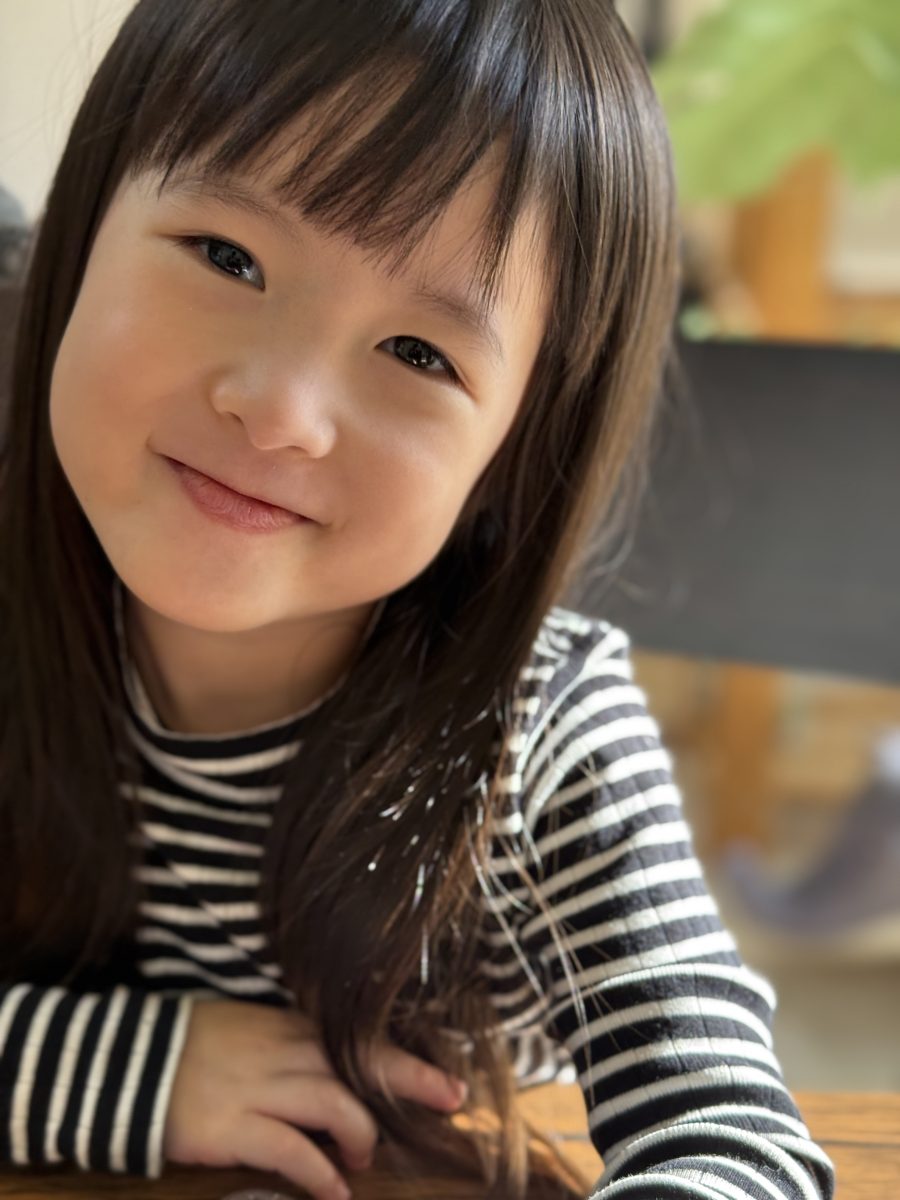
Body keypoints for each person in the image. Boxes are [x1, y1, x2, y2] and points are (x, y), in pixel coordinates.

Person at [0, 2, 836, 1199]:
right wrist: (133, 1068)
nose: (281, 411)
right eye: (228, 258)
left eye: (419, 354)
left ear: (512, 457)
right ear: (81, 231)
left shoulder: (539, 736)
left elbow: (734, 1139)